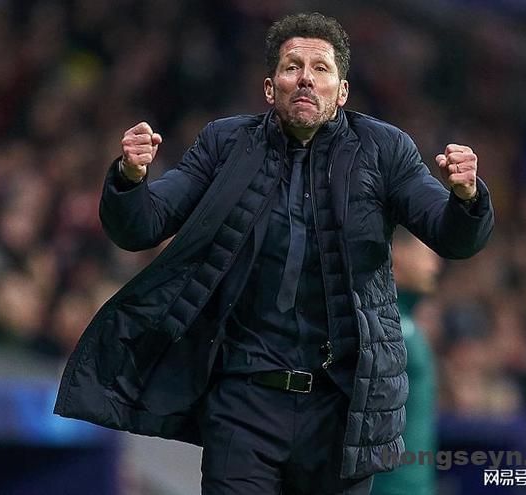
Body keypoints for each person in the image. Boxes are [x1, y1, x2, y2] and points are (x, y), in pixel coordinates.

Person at [54, 12, 494, 495]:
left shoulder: (385, 149)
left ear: (342, 92)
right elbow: (146, 224)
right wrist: (130, 179)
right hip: (243, 402)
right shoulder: (225, 144)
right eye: (292, 67)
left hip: (340, 408)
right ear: (270, 88)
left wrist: (466, 198)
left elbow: (450, 236)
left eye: (321, 68)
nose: (306, 78)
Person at [371, 229, 441, 495]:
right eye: (426, 251)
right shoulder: (381, 327)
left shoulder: (407, 324)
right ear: (396, 252)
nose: (435, 263)